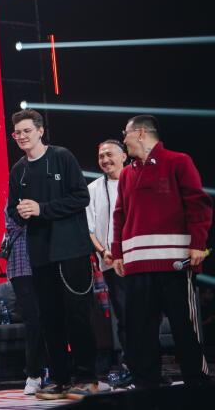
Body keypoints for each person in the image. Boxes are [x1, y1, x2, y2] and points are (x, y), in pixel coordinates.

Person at [112, 115, 212, 388]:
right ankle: (146, 386)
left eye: (127, 133)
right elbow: (119, 215)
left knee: (184, 327)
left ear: (141, 133)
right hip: (136, 266)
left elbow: (198, 204)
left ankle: (197, 383)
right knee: (140, 331)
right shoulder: (127, 174)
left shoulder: (178, 161)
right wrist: (117, 252)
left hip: (174, 263)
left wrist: (197, 244)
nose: (124, 139)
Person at [5, 109, 98, 400]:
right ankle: (59, 380)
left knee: (78, 316)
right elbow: (11, 209)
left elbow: (81, 197)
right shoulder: (18, 169)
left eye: (26, 131)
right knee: (50, 319)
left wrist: (42, 209)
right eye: (17, 133)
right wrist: (20, 213)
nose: (21, 137)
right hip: (40, 254)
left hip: (71, 251)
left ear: (41, 131)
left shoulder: (62, 157)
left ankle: (87, 377)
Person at [85, 139, 130, 379]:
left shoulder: (137, 182)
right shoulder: (92, 189)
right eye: (101, 156)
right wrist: (103, 251)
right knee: (123, 316)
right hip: (112, 263)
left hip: (140, 261)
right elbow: (89, 229)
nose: (104, 160)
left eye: (109, 155)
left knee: (146, 314)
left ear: (124, 156)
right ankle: (129, 366)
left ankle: (150, 366)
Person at [5, 211, 47, 395]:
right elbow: (17, 223)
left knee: (48, 319)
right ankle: (33, 375)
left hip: (45, 263)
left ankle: (49, 370)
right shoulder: (14, 198)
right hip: (21, 266)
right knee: (32, 321)